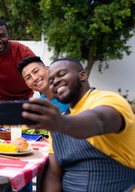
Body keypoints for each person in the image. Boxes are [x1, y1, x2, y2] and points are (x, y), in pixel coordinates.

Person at [22, 58, 135, 192]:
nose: (56, 82)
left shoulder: (107, 100)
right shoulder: (59, 123)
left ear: (82, 75)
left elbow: (99, 121)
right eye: (51, 81)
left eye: (62, 74)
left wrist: (60, 123)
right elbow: (53, 175)